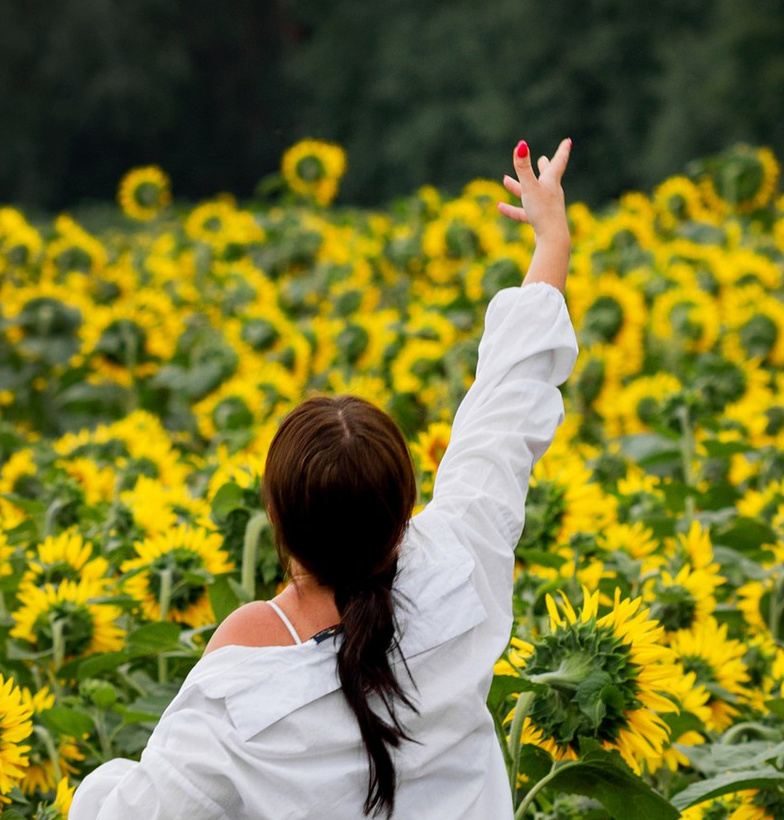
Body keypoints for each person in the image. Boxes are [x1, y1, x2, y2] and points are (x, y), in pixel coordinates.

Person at [71, 138, 578, 820]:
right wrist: (552, 237)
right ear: (404, 510)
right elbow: (507, 403)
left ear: (274, 517)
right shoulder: (461, 562)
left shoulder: (243, 682)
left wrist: (99, 785)